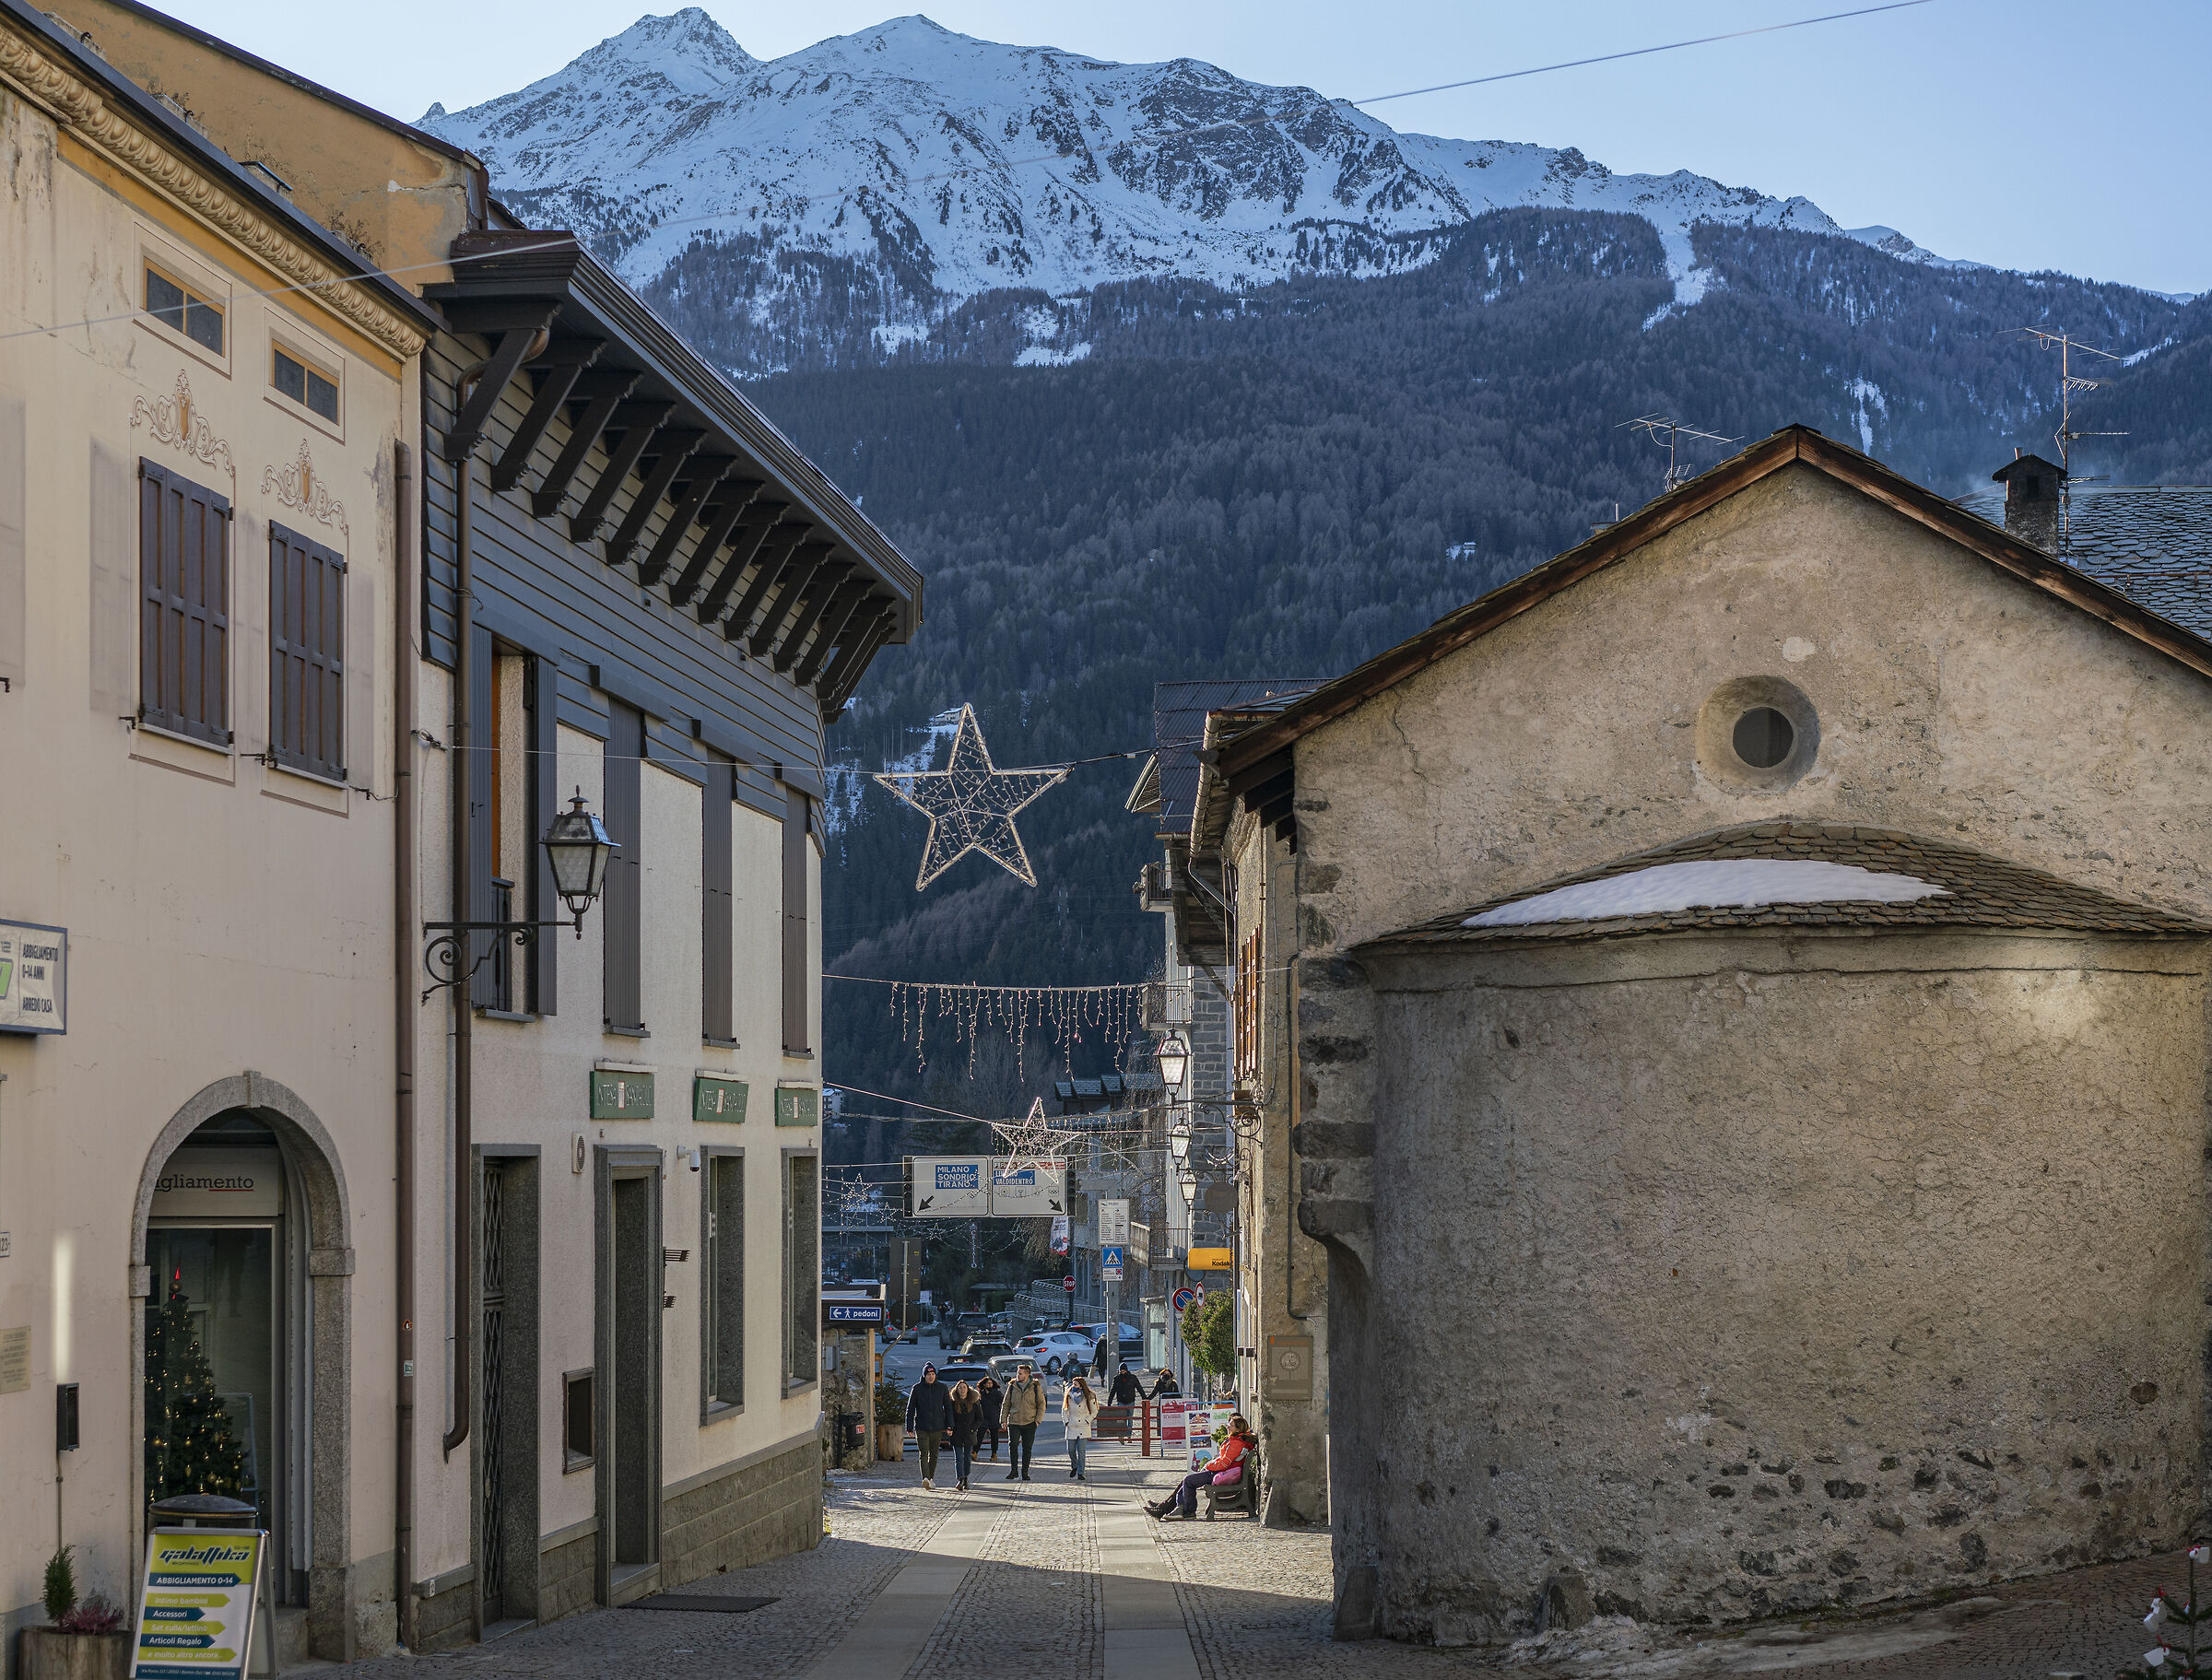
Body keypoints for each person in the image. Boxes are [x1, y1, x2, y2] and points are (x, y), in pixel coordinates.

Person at [1148, 1413, 1257, 1520]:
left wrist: (1209, 1465)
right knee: (1186, 1481)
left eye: (1231, 1425)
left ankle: (1186, 1511)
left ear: (1237, 1429)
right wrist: (1210, 1465)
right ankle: (1167, 1507)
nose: (1227, 1426)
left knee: (1188, 1481)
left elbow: (1224, 1463)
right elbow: (1224, 1459)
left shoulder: (1236, 1443)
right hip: (1221, 1472)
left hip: (1221, 1473)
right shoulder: (1235, 1440)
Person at [904, 1362, 952, 1491]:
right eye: (928, 1374)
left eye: (933, 1374)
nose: (931, 1377)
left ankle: (931, 1478)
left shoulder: (942, 1388)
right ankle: (925, 1478)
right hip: (921, 1426)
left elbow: (948, 1408)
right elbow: (910, 1408)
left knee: (934, 1454)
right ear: (924, 1376)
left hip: (937, 1426)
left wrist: (949, 1425)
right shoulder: (917, 1388)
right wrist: (909, 1426)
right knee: (923, 1453)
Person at [1003, 1362, 1045, 1481]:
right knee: (1013, 1445)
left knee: (1027, 1448)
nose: (1018, 1375)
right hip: (1014, 1421)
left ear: (1027, 1375)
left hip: (1030, 1422)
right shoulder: (1012, 1386)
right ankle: (1014, 1470)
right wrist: (1003, 1420)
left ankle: (1025, 1472)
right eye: (1018, 1373)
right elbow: (1006, 1404)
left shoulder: (1035, 1386)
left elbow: (1041, 1404)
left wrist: (1038, 1420)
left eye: (1020, 1373)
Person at [1063, 1374, 1100, 1482]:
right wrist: (1066, 1422)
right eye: (1073, 1384)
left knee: (1081, 1451)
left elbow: (1094, 1411)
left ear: (1081, 1386)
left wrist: (1087, 1420)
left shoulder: (1089, 1396)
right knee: (1070, 1450)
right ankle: (1074, 1466)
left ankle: (1080, 1472)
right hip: (1072, 1426)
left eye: (1075, 1384)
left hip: (1083, 1426)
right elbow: (1064, 1410)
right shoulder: (1068, 1395)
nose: (1073, 1386)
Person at [947, 1380, 982, 1492]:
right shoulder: (953, 1402)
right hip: (956, 1433)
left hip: (969, 1433)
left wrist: (973, 1428)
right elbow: (948, 1416)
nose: (962, 1390)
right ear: (956, 1390)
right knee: (958, 1457)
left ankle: (966, 1477)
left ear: (968, 1389)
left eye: (964, 1387)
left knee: (967, 1457)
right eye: (960, 1387)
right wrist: (950, 1427)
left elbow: (980, 1418)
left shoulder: (974, 1402)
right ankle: (960, 1479)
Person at [977, 1373, 1005, 1461]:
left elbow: (1003, 1403)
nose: (990, 1385)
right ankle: (974, 1452)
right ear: (984, 1384)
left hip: (994, 1417)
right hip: (983, 1417)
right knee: (980, 1435)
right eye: (988, 1383)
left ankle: (994, 1454)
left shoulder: (997, 1393)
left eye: (991, 1383)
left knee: (994, 1436)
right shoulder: (980, 1394)